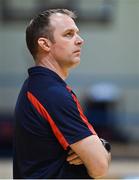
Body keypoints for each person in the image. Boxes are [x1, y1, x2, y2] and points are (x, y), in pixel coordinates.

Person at [13, 9, 111, 179]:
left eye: (77, 34)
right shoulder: (52, 93)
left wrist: (99, 147)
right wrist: (99, 150)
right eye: (68, 34)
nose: (80, 40)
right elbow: (100, 167)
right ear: (45, 44)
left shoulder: (37, 86)